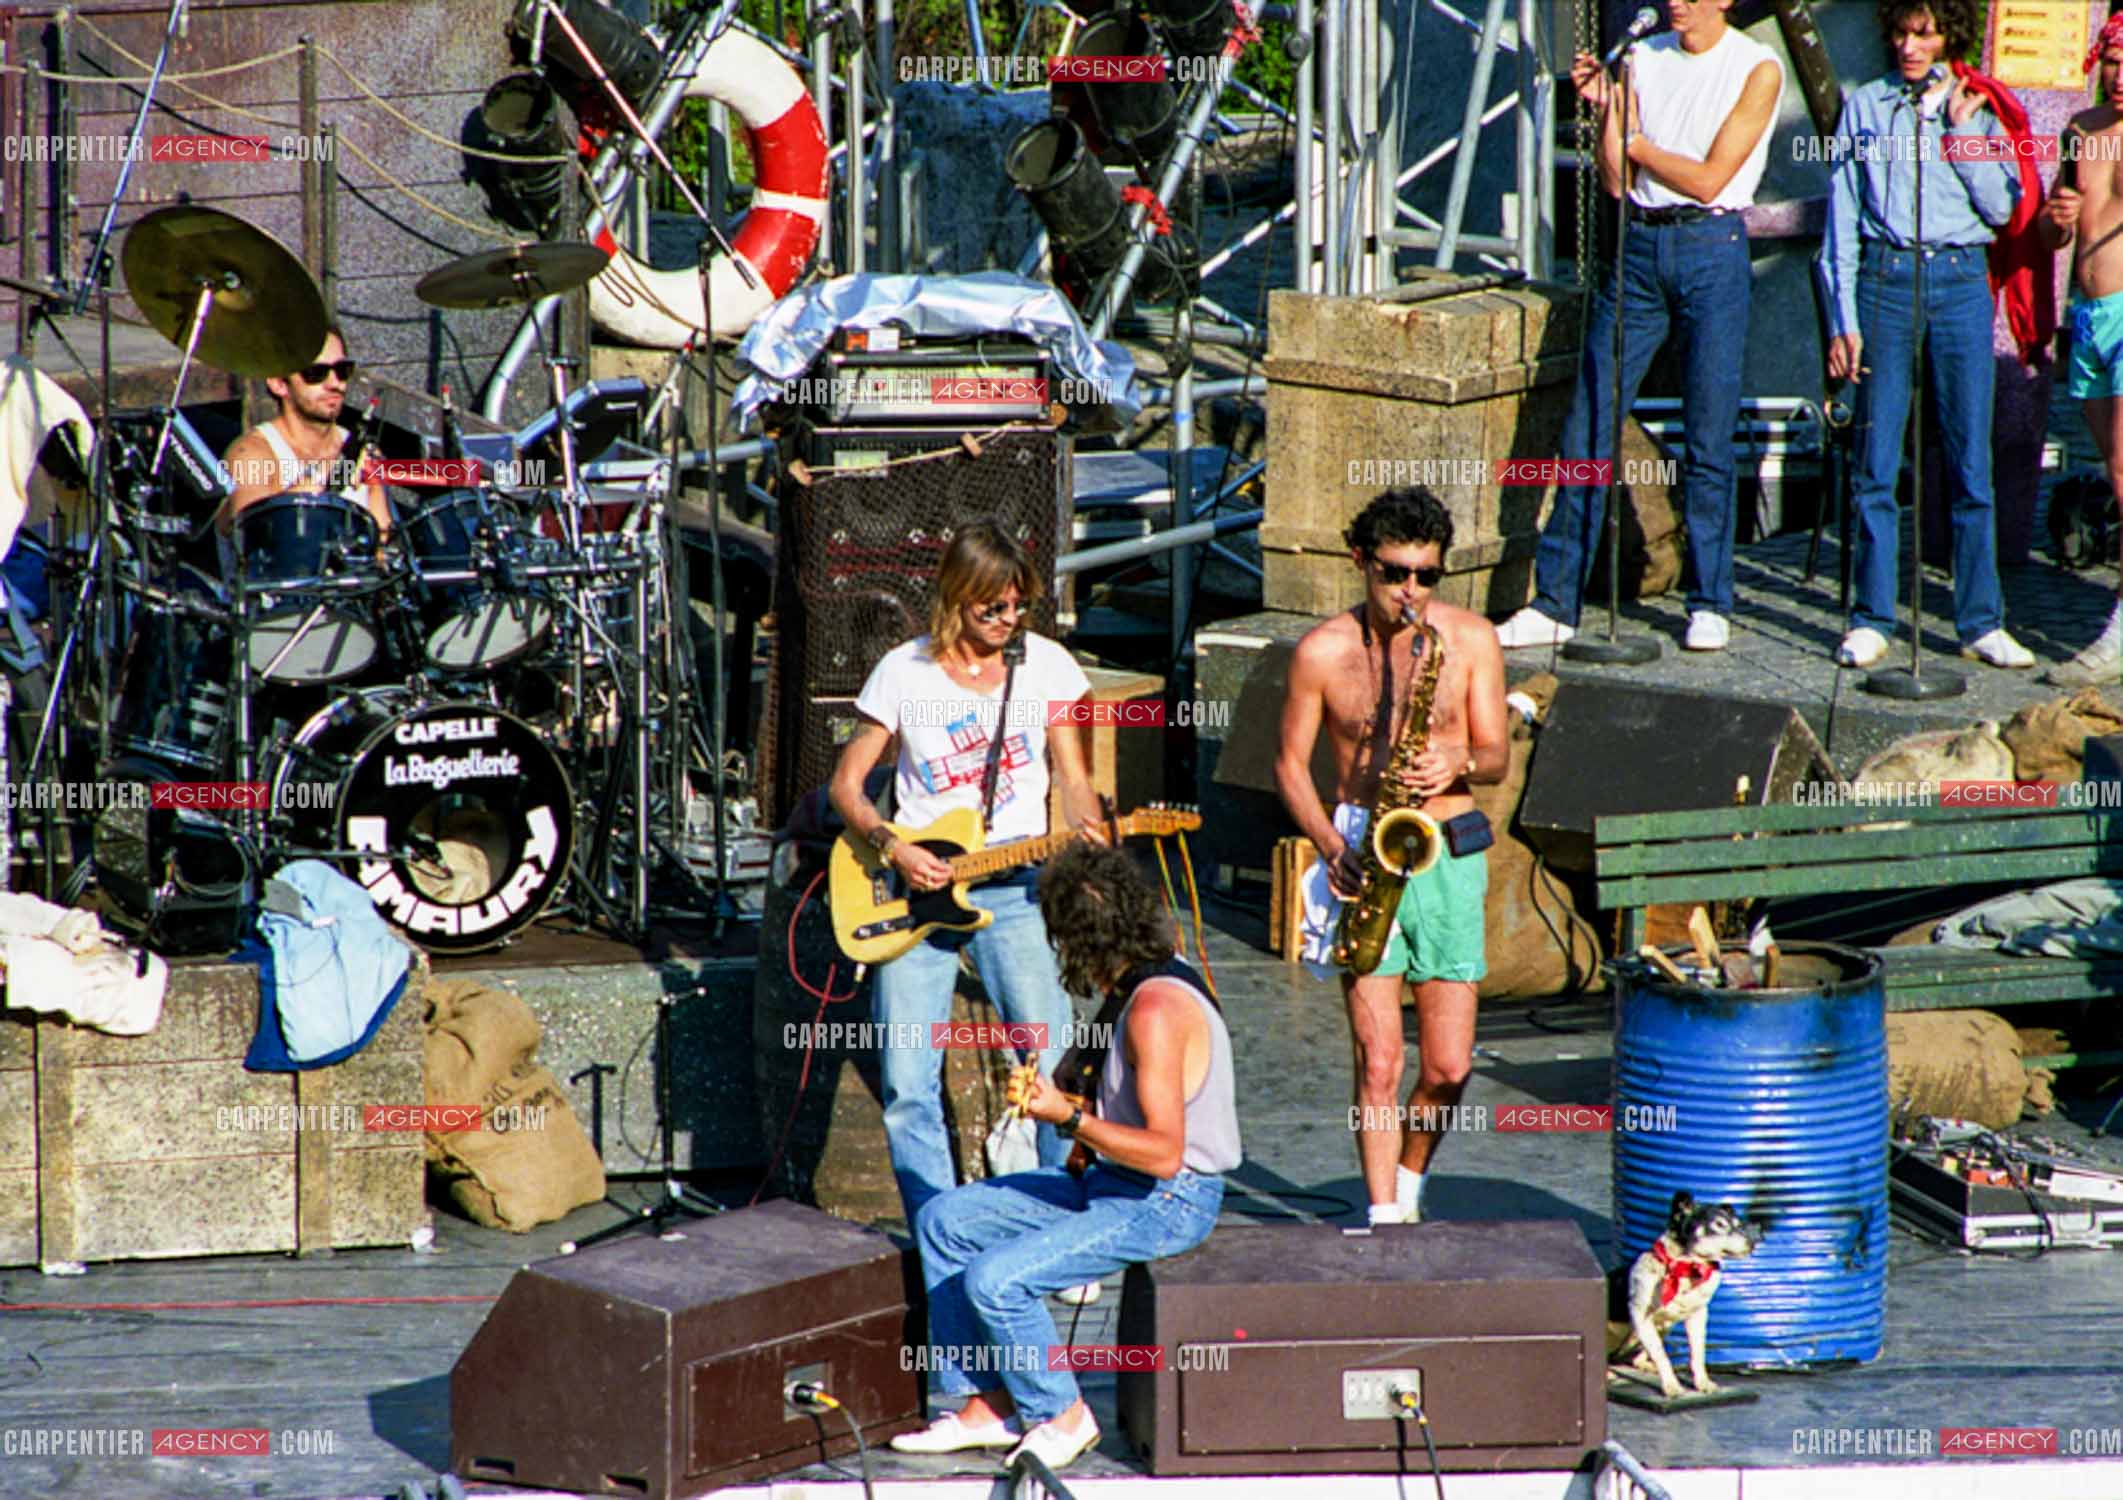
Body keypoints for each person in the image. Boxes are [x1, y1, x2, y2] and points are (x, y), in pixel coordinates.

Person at [892, 840, 1238, 1473]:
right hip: (1113, 1180)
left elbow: (1165, 1155)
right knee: (944, 1220)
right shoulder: (1133, 983)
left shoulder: (1155, 1010)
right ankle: (987, 1402)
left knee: (996, 1283)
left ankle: (1061, 1411)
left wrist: (1068, 1117)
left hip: (1169, 1198)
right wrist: (1068, 1104)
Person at [828, 523, 1106, 1226]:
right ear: (957, 598)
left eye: (1019, 607)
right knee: (907, 1084)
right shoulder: (902, 671)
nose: (1009, 621)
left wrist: (1091, 832)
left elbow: (1073, 778)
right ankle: (938, 1230)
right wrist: (892, 848)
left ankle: (1055, 1224)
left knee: (1050, 1065)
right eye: (993, 609)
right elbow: (847, 787)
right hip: (916, 893)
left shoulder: (1044, 666)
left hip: (1014, 885)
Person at [1495, 0, 1782, 654]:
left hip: (1710, 246)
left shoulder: (1755, 67)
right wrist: (1611, 112)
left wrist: (1638, 141)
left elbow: (1710, 179)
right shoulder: (1641, 59)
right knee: (1589, 422)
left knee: (1708, 432)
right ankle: (1554, 602)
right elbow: (1618, 181)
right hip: (1638, 250)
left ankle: (1710, 601)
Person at [1277, 488, 1508, 1226]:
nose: (1409, 591)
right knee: (1379, 1062)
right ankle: (1382, 1218)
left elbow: (1498, 755)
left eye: (1425, 575)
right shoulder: (1320, 650)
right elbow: (1287, 763)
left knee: (1447, 1068)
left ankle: (1409, 1184)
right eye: (1393, 573)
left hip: (1444, 848)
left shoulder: (1468, 640)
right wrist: (1329, 843)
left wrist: (1458, 763)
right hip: (1362, 850)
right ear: (1359, 561)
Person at [1813, 0, 2034, 672]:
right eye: (1903, 33)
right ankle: (1872, 616)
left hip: (1958, 279)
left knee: (1970, 459)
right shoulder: (1866, 106)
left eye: (1925, 33)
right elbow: (1841, 218)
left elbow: (2002, 209)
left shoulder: (1975, 103)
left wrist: (1961, 134)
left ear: (1948, 36)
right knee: (1875, 458)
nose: (1911, 46)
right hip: (1885, 277)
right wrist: (1841, 319)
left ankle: (1979, 621)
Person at [2043, 15, 2123, 686]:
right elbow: (2052, 231)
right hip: (2088, 311)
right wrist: (2055, 220)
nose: (2121, 78)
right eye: (2114, 63)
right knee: (2109, 463)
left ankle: (2119, 630)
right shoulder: (2080, 128)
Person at [218, 326, 391, 540]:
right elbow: (252, 541)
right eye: (316, 373)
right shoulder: (250, 454)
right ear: (279, 384)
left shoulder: (364, 452)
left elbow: (384, 547)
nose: (334, 384)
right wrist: (317, 478)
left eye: (342, 370)